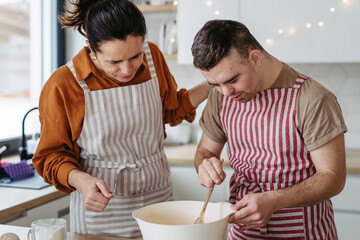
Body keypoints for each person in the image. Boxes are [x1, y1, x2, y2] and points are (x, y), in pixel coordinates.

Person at [32, 0, 212, 238]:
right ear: (91, 49)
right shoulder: (64, 84)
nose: (127, 70)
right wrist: (81, 181)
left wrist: (214, 81)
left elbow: (171, 109)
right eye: (114, 62)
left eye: (135, 56)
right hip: (103, 210)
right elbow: (50, 156)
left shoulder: (152, 56)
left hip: (158, 200)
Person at [192, 19, 347, 239]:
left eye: (232, 80)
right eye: (214, 84)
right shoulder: (221, 96)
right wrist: (204, 164)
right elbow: (205, 151)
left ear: (255, 58)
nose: (225, 92)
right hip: (243, 233)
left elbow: (333, 177)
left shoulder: (312, 98)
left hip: (303, 233)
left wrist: (274, 200)